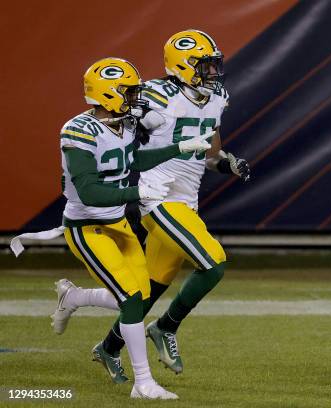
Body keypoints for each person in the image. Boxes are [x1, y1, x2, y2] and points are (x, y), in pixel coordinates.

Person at [52, 30, 250, 380]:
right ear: (182, 66)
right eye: (204, 65)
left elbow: (208, 148)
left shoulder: (217, 96)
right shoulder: (153, 95)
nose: (212, 72)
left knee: (150, 287)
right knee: (213, 262)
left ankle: (108, 347)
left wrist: (225, 162)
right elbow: (117, 132)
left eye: (213, 65)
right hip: (157, 196)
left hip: (187, 199)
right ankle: (166, 328)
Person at [56, 57, 211, 398]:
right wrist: (136, 191)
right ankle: (144, 383)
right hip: (86, 227)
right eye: (129, 91)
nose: (137, 97)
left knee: (137, 301)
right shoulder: (77, 131)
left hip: (118, 224)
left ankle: (76, 296)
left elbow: (133, 160)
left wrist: (179, 148)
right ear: (107, 94)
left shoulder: (124, 124)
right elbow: (89, 191)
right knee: (130, 299)